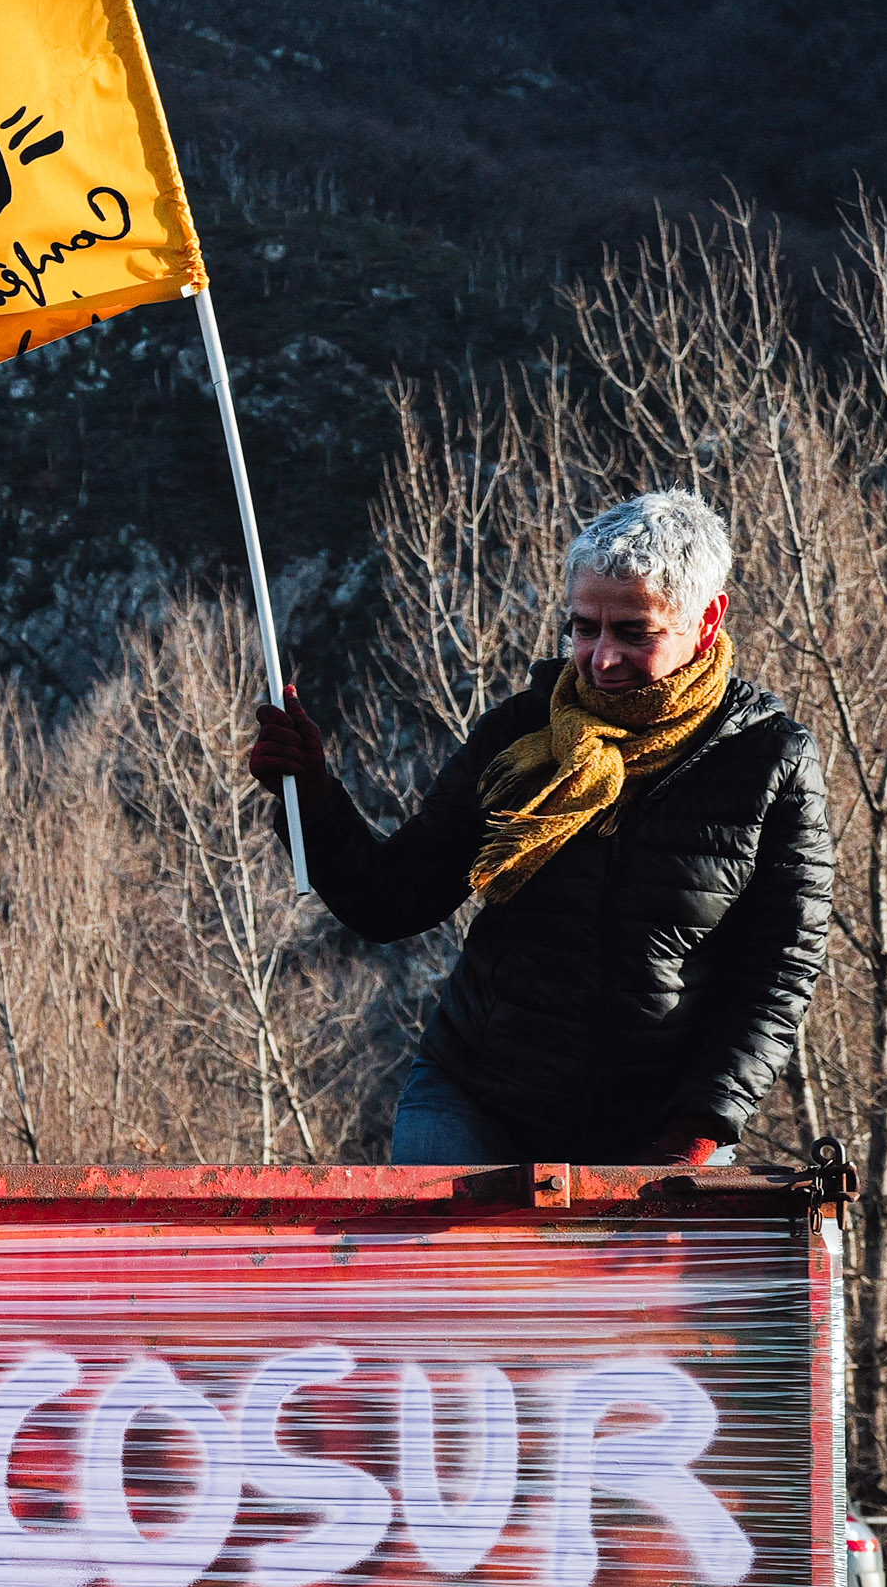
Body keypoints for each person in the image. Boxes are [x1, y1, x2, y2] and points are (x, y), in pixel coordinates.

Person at [250, 488, 831, 1166]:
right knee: (450, 1274)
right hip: (474, 1100)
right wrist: (314, 797)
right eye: (585, 627)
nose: (602, 658)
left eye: (633, 632)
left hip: (659, 1128)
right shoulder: (521, 733)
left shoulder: (772, 763)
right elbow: (393, 899)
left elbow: (780, 969)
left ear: (707, 620)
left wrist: (703, 1125)